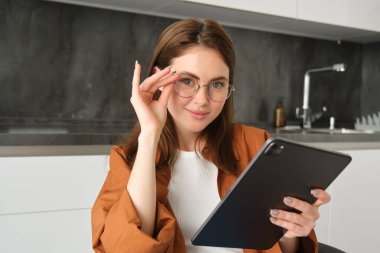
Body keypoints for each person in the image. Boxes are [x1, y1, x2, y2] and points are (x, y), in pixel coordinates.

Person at [91, 18, 330, 253]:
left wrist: (290, 232)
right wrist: (150, 134)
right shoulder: (128, 159)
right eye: (187, 81)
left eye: (216, 84)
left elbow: (281, 247)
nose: (202, 100)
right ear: (160, 78)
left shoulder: (257, 145)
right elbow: (125, 250)